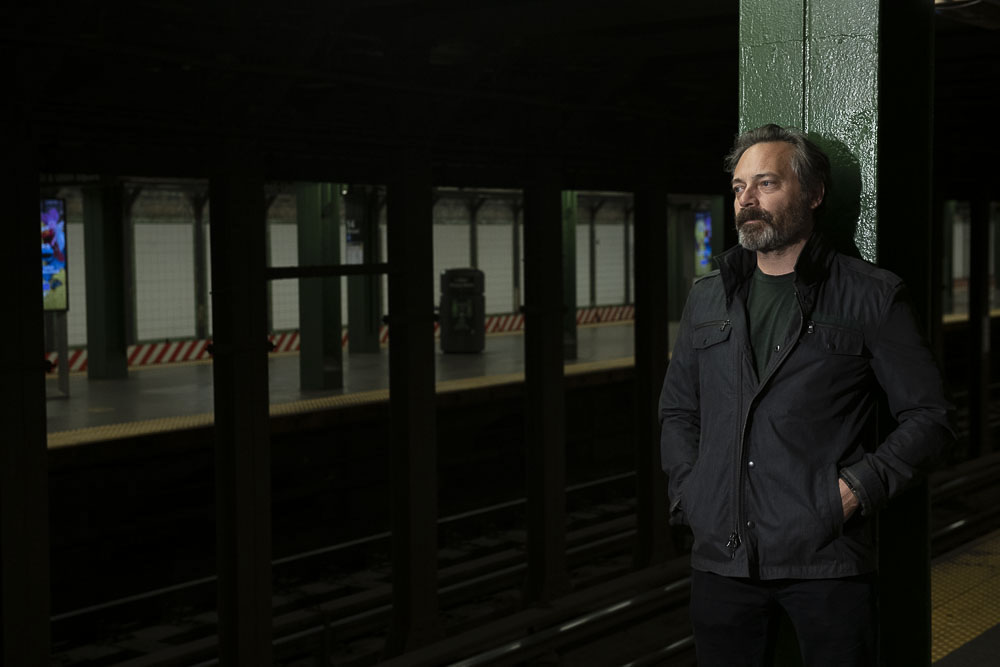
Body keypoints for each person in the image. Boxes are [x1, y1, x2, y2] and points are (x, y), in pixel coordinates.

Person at [659, 123, 954, 666]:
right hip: (723, 561)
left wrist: (853, 491)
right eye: (739, 187)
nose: (747, 199)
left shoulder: (871, 295)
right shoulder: (708, 297)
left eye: (766, 183)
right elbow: (678, 410)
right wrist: (690, 492)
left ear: (813, 194)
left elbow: (929, 417)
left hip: (826, 562)